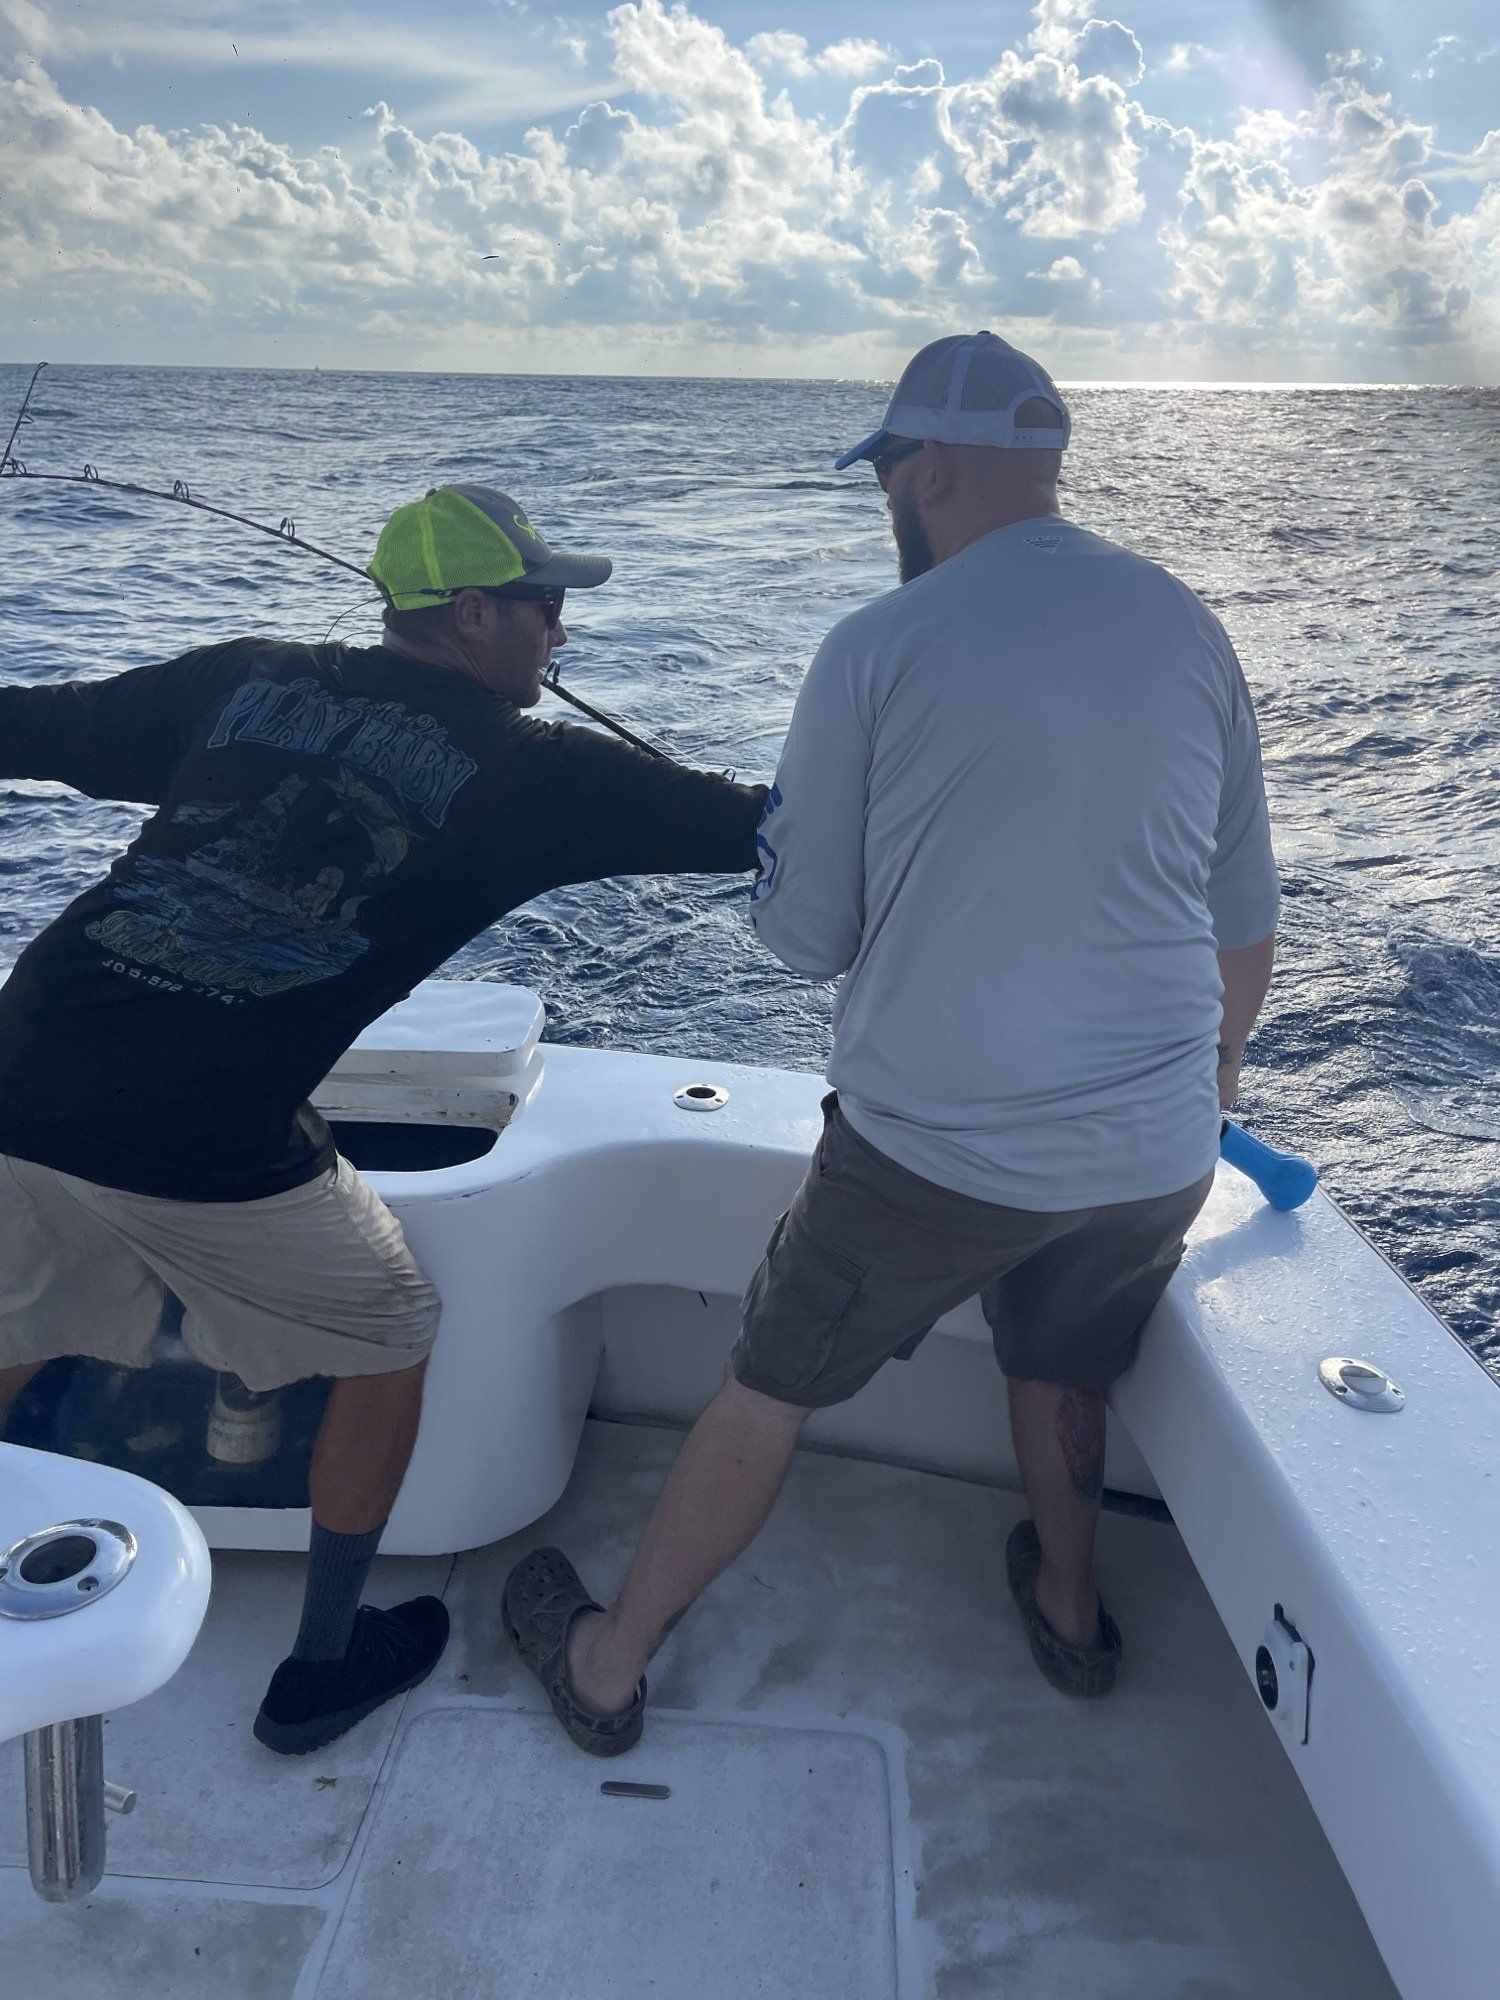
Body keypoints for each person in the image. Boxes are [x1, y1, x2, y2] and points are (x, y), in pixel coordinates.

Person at [504, 332, 1280, 1751]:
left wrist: (792, 850)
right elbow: (1246, 924)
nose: (889, 508)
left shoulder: (875, 644)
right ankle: (1069, 1613)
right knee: (1061, 1362)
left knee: (771, 1376)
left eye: (889, 481)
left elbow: (805, 940)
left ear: (928, 471)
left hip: (933, 1154)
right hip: (1155, 1152)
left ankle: (607, 1666)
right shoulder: (1186, 621)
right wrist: (1207, 1094)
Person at [0, 482, 766, 1753]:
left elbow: (23, 723)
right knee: (390, 1330)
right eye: (546, 606)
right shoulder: (539, 771)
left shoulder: (243, 674)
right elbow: (764, 831)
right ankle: (321, 1664)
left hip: (26, 1060)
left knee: (21, 1307)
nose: (560, 635)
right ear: (474, 613)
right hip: (206, 1125)